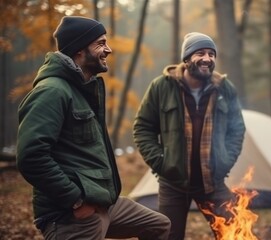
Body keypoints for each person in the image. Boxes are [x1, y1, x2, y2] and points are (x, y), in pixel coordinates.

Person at [16, 16, 170, 240]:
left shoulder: (82, 90)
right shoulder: (52, 91)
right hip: (70, 215)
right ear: (79, 50)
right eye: (100, 43)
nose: (108, 49)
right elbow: (31, 156)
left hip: (103, 203)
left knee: (159, 225)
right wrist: (75, 200)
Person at [133, 32, 246, 240]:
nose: (207, 58)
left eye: (212, 54)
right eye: (200, 53)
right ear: (186, 59)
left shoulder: (224, 88)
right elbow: (143, 127)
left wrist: (224, 162)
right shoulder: (162, 87)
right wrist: (161, 162)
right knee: (167, 236)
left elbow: (237, 129)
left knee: (235, 233)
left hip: (212, 180)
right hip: (173, 183)